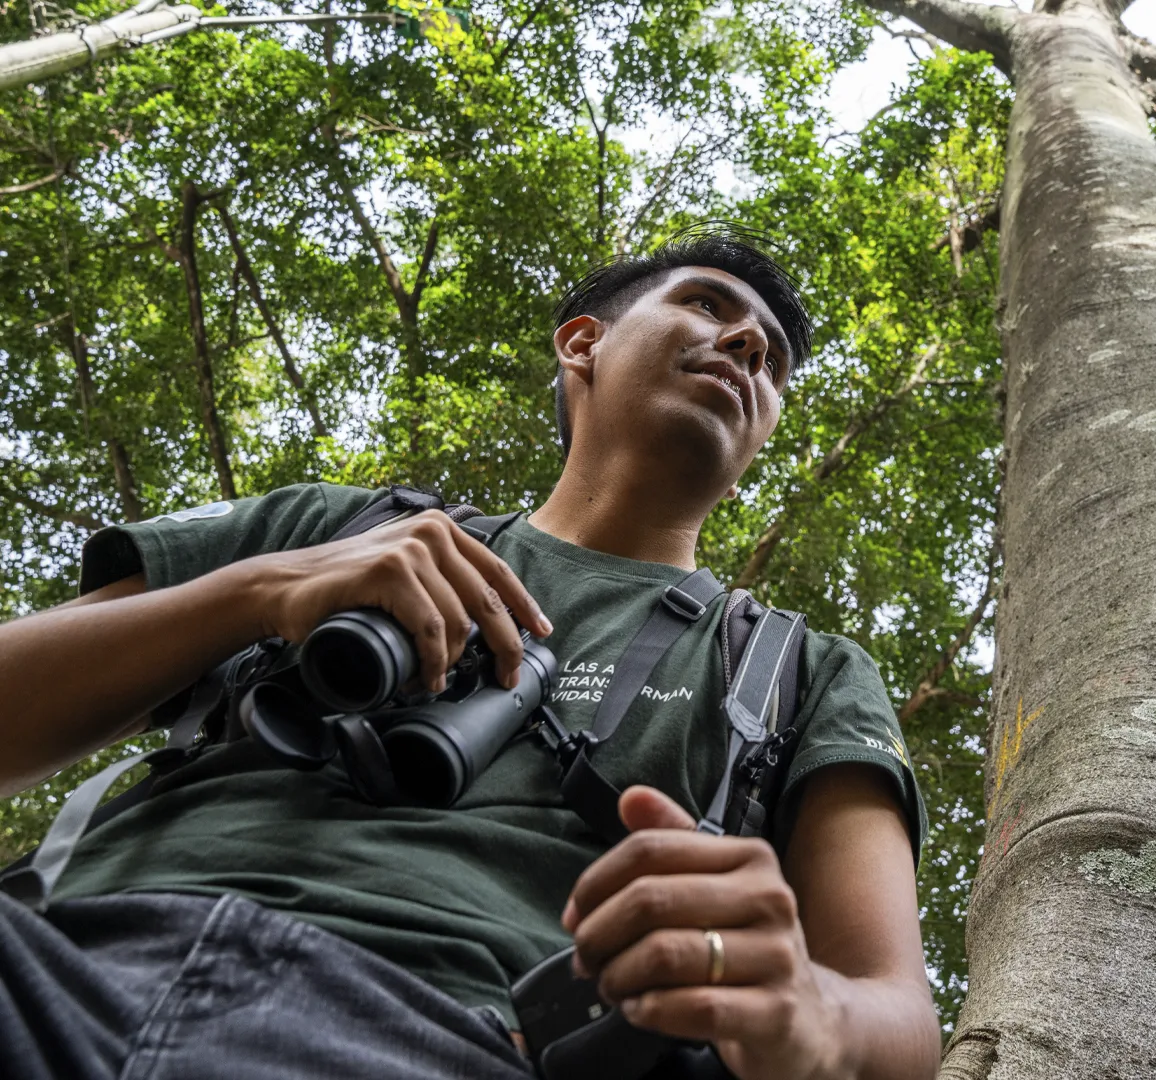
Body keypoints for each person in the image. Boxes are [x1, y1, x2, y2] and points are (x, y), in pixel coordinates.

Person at [0, 225, 941, 1079]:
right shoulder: (336, 524)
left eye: (771, 359)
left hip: (466, 1036)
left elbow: (895, 1013)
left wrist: (808, 1011)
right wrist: (263, 591)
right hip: (60, 956)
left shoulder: (796, 670)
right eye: (705, 304)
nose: (746, 345)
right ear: (583, 343)